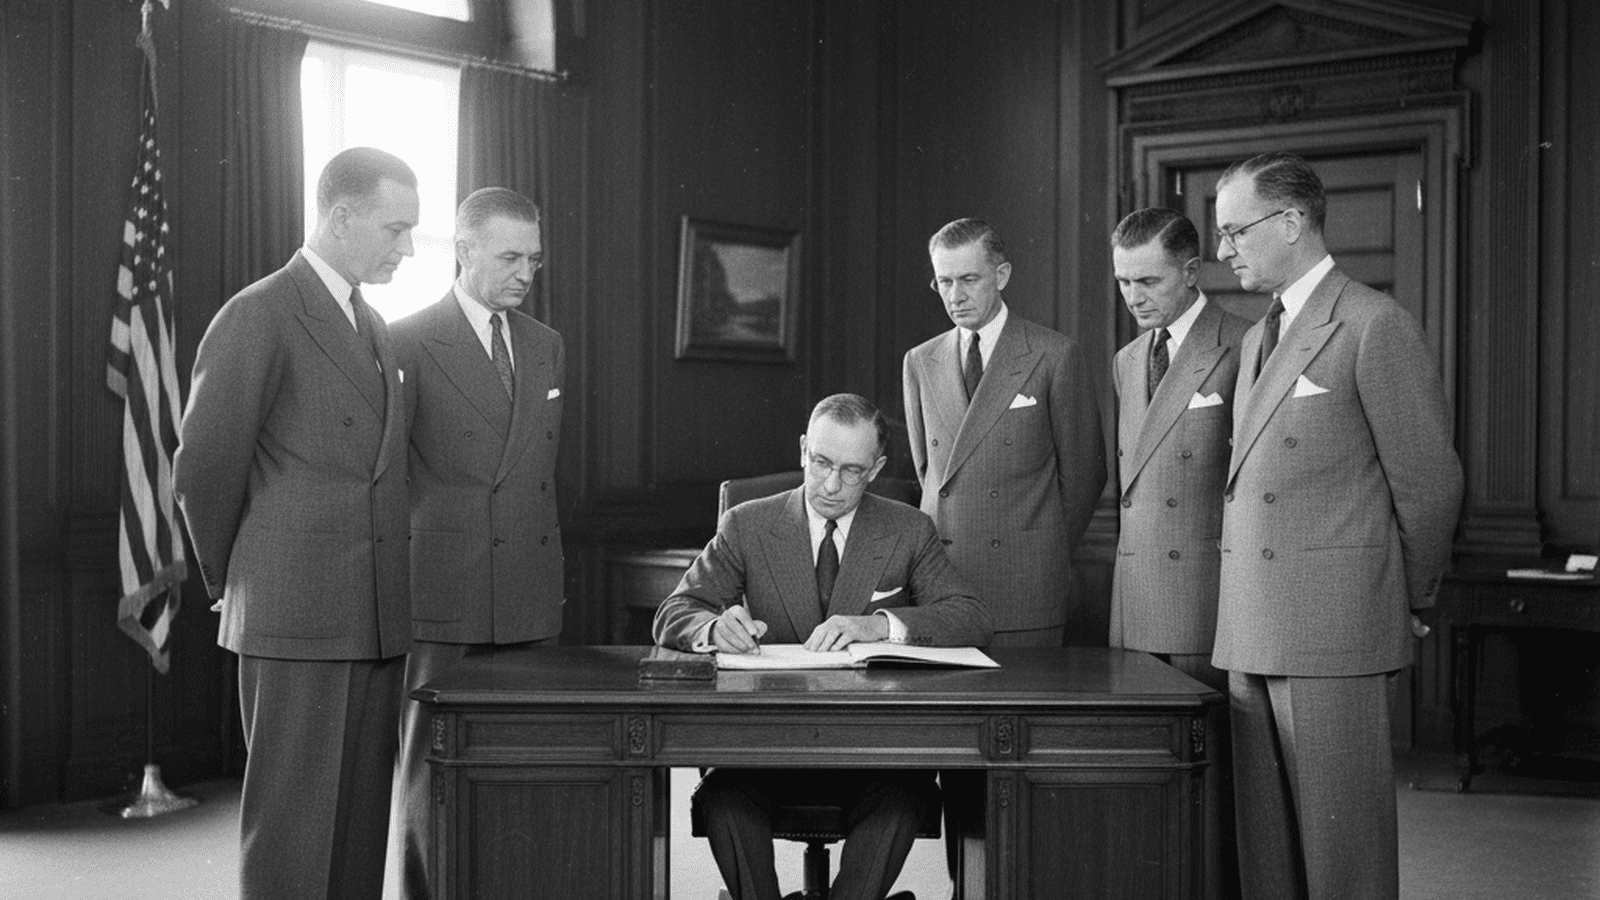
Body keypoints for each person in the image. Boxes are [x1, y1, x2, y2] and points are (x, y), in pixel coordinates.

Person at [1211, 152, 1462, 900]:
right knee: (1270, 861)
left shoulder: (1373, 324)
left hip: (1332, 629)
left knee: (1341, 858)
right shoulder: (1261, 336)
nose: (1224, 251)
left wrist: (1413, 598)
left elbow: (1429, 483)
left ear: (1290, 223)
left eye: (1234, 232)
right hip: (1252, 624)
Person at [173, 146, 418, 900]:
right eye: (394, 228)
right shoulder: (260, 312)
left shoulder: (372, 326)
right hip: (294, 611)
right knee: (293, 830)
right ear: (340, 218)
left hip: (372, 615)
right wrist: (238, 582)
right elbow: (203, 470)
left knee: (353, 831)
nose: (407, 249)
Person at [654, 393, 993, 900]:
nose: (832, 485)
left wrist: (879, 625)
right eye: (821, 463)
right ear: (802, 451)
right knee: (724, 802)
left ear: (877, 468)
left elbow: (972, 616)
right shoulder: (746, 524)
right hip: (766, 750)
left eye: (852, 471)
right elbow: (674, 612)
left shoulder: (909, 528)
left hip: (874, 754)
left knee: (903, 803)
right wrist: (712, 626)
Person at [387, 187, 565, 900]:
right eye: (510, 257)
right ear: (462, 252)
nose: (525, 273)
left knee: (525, 774)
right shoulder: (404, 339)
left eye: (536, 259)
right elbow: (389, 476)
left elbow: (537, 474)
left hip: (526, 589)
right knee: (427, 776)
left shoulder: (546, 345)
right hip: (441, 590)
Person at [1109, 207, 1249, 900]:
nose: (1134, 297)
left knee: (1212, 787)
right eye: (1123, 282)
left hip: (1204, 601)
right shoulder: (1128, 359)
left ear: (1192, 272)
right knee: (1140, 786)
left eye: (1149, 281)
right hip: (1135, 605)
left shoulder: (1244, 345)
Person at [902, 217, 1105, 648]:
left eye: (969, 279)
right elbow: (929, 472)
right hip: (943, 582)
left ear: (1002, 275)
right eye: (944, 282)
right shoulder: (920, 361)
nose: (956, 296)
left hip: (1024, 584)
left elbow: (1085, 476)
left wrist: (1039, 549)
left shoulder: (1054, 355)